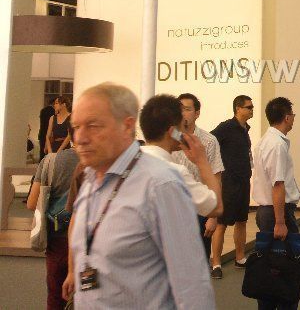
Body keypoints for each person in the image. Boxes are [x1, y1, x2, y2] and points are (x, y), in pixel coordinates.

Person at [65, 82, 214, 308]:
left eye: (93, 126)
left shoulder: (160, 185)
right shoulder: (90, 180)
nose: (80, 138)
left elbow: (192, 287)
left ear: (127, 127)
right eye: (76, 127)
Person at [252, 97, 300, 310]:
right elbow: (278, 184)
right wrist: (280, 222)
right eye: (293, 115)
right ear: (287, 117)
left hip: (269, 212)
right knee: (289, 267)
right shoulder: (276, 145)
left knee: (270, 267)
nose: (293, 119)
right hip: (277, 213)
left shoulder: (267, 141)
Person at [139, 94, 222, 220]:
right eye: (183, 127)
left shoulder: (130, 163)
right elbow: (216, 207)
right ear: (173, 132)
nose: (185, 133)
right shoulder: (175, 174)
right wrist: (202, 161)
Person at [171, 93, 225, 260]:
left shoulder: (209, 141)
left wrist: (212, 217)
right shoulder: (170, 139)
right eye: (179, 109)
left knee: (200, 260)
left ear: (197, 113)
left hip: (200, 208)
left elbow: (216, 177)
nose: (183, 114)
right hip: (174, 208)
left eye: (187, 109)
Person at [27, 147, 79, 310]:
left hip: (57, 239)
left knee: (56, 296)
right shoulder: (101, 161)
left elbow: (32, 203)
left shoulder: (49, 161)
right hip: (87, 241)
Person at [210, 94, 254, 278]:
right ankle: (216, 264)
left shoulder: (245, 129)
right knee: (221, 223)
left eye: (252, 107)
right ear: (238, 109)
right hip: (228, 183)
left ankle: (240, 257)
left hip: (243, 181)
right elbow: (210, 141)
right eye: (248, 107)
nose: (251, 110)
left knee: (242, 221)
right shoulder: (227, 127)